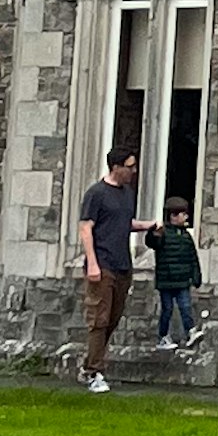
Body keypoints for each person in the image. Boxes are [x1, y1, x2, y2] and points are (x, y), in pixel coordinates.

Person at [73, 139, 141, 393]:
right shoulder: (96, 194)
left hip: (123, 262)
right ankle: (94, 372)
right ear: (115, 167)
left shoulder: (127, 194)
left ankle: (90, 364)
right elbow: (86, 228)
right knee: (99, 319)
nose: (133, 172)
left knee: (112, 318)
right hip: (102, 265)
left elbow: (124, 223)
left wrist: (147, 226)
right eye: (129, 167)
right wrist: (92, 263)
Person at [142, 193, 204, 352]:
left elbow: (193, 257)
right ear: (173, 216)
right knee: (167, 309)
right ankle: (163, 336)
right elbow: (152, 243)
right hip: (166, 280)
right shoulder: (163, 234)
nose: (186, 217)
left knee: (185, 306)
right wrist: (152, 232)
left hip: (182, 280)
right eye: (183, 214)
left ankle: (190, 331)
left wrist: (196, 276)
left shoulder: (186, 236)